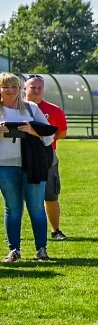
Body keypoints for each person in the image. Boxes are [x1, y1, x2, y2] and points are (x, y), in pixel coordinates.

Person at [0, 73, 57, 263]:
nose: (10, 90)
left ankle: (42, 250)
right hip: (5, 166)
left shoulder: (31, 108)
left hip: (32, 165)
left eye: (14, 87)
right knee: (13, 208)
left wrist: (33, 130)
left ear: (20, 89)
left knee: (36, 207)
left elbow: (49, 136)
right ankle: (14, 250)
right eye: (5, 87)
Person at [23, 76, 67, 241]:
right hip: (21, 156)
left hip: (47, 157)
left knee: (51, 194)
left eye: (39, 87)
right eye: (32, 87)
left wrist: (45, 140)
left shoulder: (54, 110)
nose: (36, 90)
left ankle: (55, 230)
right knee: (17, 198)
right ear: (24, 89)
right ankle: (15, 233)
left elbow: (62, 132)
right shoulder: (15, 107)